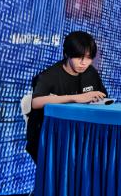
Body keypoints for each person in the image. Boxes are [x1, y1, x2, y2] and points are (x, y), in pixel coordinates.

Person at [26, 31, 108, 162]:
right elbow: (36, 102)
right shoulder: (49, 75)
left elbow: (103, 97)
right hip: (49, 139)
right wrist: (75, 97)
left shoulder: (91, 72)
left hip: (79, 136)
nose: (84, 63)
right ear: (67, 54)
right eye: (78, 57)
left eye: (88, 58)